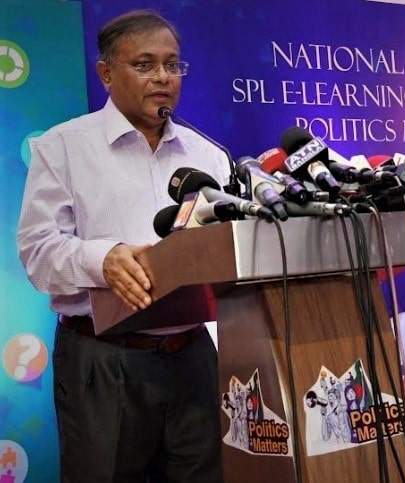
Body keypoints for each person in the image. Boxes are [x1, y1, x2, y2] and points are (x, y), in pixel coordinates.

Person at [17, 10, 228, 483]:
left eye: (172, 65)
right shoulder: (63, 146)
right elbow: (37, 252)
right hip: (102, 360)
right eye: (145, 65)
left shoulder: (208, 155)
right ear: (106, 74)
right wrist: (103, 259)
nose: (163, 77)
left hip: (194, 356)